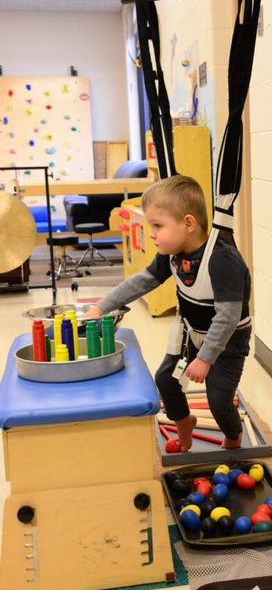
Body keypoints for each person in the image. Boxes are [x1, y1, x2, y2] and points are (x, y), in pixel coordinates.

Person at [83, 175, 251, 452]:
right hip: (190, 335)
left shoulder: (223, 260)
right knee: (166, 380)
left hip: (228, 342)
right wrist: (101, 307)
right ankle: (185, 423)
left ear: (188, 223)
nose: (151, 234)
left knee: (219, 401)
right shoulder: (171, 253)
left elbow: (228, 317)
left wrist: (205, 359)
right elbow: (142, 281)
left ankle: (233, 437)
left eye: (157, 226)